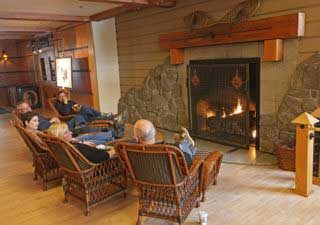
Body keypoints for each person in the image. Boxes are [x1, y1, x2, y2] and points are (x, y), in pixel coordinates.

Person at [21, 112, 115, 146]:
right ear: (26, 122)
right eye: (34, 121)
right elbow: (49, 145)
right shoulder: (33, 134)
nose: (37, 123)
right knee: (89, 138)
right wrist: (78, 142)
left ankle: (112, 136)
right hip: (65, 145)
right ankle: (112, 137)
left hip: (62, 140)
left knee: (87, 135)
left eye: (37, 120)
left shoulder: (31, 130)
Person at [133, 119, 197, 167]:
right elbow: (188, 162)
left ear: (137, 137)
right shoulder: (169, 150)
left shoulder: (129, 149)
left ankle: (184, 143)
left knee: (181, 145)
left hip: (145, 178)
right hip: (170, 181)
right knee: (185, 147)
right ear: (155, 132)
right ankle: (188, 145)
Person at [47, 122, 115, 164]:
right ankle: (114, 137)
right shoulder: (77, 148)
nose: (71, 132)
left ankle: (112, 137)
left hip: (85, 164)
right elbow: (101, 157)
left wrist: (82, 142)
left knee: (90, 137)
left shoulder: (60, 147)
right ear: (60, 137)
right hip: (99, 168)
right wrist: (114, 150)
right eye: (66, 132)